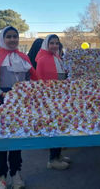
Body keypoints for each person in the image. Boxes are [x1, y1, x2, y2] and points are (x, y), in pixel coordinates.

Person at [0, 26, 36, 189]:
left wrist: (27, 91)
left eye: (15, 36)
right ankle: (1, 176)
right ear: (2, 39)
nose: (13, 40)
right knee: (2, 140)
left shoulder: (24, 58)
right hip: (2, 101)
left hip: (21, 100)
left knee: (17, 139)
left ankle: (16, 173)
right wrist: (2, 94)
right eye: (9, 37)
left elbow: (32, 78)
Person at [35, 34, 71, 170]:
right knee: (54, 127)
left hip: (60, 97)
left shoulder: (57, 57)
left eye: (57, 43)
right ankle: (53, 159)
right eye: (52, 43)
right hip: (50, 99)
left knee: (60, 126)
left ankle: (58, 155)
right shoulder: (42, 60)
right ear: (46, 44)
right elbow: (40, 81)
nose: (55, 46)